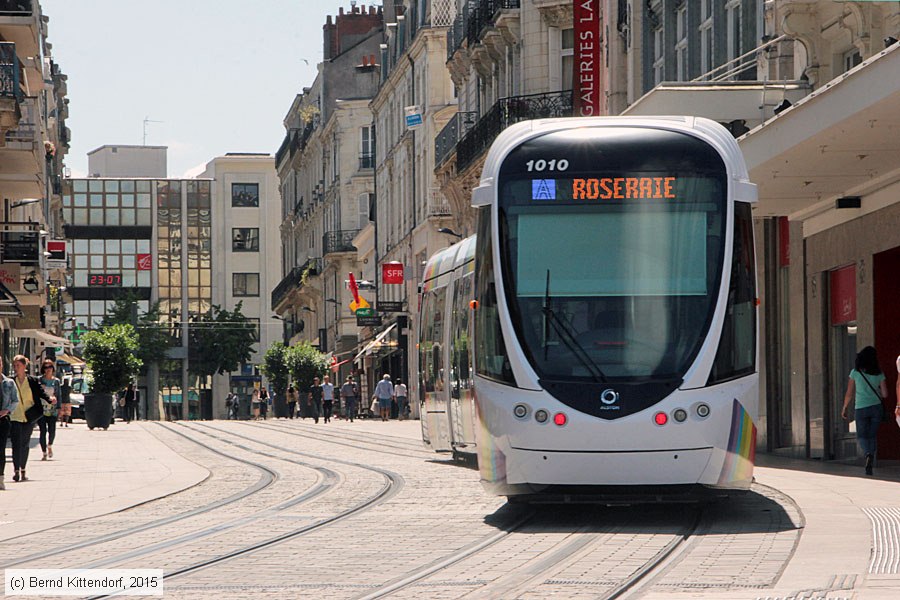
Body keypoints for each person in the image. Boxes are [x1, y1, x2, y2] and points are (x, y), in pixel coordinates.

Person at [842, 346, 889, 475]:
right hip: (876, 408)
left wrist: (845, 407)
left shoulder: (855, 372)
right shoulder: (879, 373)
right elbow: (885, 394)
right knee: (872, 435)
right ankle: (871, 456)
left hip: (861, 408)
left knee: (862, 435)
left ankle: (867, 453)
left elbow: (849, 393)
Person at [10, 355, 50, 482]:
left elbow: (40, 393)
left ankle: (23, 469)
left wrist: (50, 400)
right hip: (15, 416)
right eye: (15, 366)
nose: (16, 368)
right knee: (16, 444)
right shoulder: (11, 381)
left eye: (18, 365)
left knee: (25, 443)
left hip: (28, 416)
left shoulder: (32, 381)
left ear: (24, 366)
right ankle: (16, 470)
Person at [0, 356, 20, 490]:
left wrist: (7, 410)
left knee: (1, 450)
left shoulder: (9, 383)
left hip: (3, 420)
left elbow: (15, 400)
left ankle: (0, 477)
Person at [38, 360, 61, 460]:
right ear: (43, 369)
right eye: (46, 367)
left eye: (50, 367)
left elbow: (58, 395)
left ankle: (50, 445)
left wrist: (59, 408)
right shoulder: (39, 380)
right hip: (41, 410)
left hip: (52, 410)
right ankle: (44, 452)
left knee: (52, 430)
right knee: (43, 431)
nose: (48, 369)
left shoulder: (56, 381)